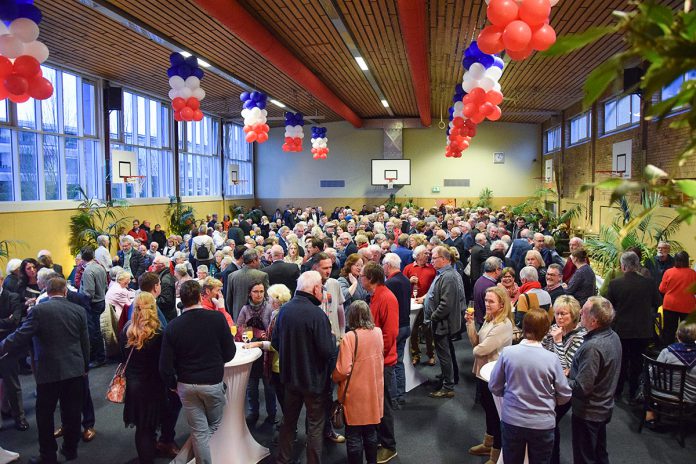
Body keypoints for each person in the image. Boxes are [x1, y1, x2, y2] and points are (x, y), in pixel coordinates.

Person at [0, 277, 89, 463]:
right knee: (73, 412)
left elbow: (21, 335)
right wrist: (84, 367)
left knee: (45, 415)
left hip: (48, 372)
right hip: (74, 369)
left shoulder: (38, 311)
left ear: (47, 292)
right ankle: (70, 450)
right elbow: (85, 343)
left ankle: (48, 455)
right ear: (65, 291)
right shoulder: (79, 310)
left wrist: (2, 346)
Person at [159, 280, 236, 464]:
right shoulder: (216, 319)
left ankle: (181, 460)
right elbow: (230, 352)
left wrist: (173, 386)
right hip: (212, 383)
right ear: (201, 296)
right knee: (213, 425)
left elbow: (165, 366)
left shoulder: (173, 326)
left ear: (181, 300)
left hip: (185, 385)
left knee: (200, 431)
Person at [489, 310, 572, 464]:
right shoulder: (552, 359)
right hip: (542, 424)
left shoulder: (507, 353)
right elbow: (565, 394)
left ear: (524, 327)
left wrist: (508, 395)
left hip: (512, 420)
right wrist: (552, 402)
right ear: (546, 330)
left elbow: (494, 386)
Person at [272, 271, 336, 464]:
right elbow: (327, 351)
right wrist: (332, 337)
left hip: (290, 378)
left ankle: (283, 460)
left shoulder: (284, 310)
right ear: (316, 288)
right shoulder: (318, 315)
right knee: (315, 425)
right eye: (321, 288)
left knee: (288, 423)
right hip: (314, 381)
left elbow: (275, 342)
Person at [569, 296, 622, 464]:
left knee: (585, 457)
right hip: (603, 407)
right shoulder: (613, 336)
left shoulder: (592, 347)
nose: (579, 313)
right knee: (599, 453)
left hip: (588, 412)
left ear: (594, 320)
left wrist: (559, 378)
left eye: (583, 311)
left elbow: (582, 387)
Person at [120, 292, 170, 464]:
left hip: (134, 386)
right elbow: (163, 363)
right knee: (150, 426)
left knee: (142, 428)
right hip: (154, 385)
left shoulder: (127, 330)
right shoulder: (159, 333)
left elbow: (122, 357)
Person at [332, 300, 385, 464]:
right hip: (374, 392)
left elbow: (343, 370)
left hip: (355, 394)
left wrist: (333, 377)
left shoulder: (350, 337)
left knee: (354, 436)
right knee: (371, 433)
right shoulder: (377, 332)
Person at [465, 286, 513, 464]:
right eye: (486, 300)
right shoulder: (489, 319)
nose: (486, 304)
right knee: (488, 410)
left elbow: (480, 349)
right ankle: (489, 444)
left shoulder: (503, 325)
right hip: (482, 373)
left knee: (495, 415)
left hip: (494, 376)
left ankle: (496, 455)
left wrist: (477, 348)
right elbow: (476, 341)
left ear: (502, 304)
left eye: (491, 301)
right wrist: (470, 323)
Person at [607, 251, 659, 402]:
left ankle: (617, 392)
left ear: (623, 266)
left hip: (622, 329)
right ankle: (633, 392)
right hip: (643, 330)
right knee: (637, 362)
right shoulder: (649, 283)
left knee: (621, 362)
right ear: (637, 265)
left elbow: (609, 307)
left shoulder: (615, 284)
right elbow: (657, 303)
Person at [360, 262, 399, 464]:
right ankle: (381, 440)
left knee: (384, 405)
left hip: (383, 361)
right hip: (376, 359)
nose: (360, 278)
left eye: (362, 276)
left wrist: (375, 355)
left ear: (371, 278)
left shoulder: (386, 298)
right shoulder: (377, 296)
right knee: (377, 403)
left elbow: (390, 334)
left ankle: (389, 446)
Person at [542, 295, 587, 464]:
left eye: (564, 314)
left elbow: (565, 369)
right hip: (548, 383)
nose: (559, 318)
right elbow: (544, 352)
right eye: (557, 313)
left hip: (565, 389)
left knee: (551, 423)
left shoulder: (580, 337)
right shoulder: (555, 328)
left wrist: (558, 342)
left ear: (574, 315)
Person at [420, 246, 465, 398]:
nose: (431, 260)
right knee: (446, 354)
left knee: (444, 355)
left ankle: (448, 386)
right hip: (442, 323)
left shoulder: (449, 276)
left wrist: (433, 317)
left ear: (444, 259)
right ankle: (448, 377)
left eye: (434, 258)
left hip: (442, 324)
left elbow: (446, 304)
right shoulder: (444, 274)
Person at [236, 281, 276, 426]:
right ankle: (253, 413)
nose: (259, 294)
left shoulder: (271, 308)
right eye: (256, 291)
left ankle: (272, 414)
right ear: (249, 293)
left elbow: (274, 331)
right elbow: (239, 328)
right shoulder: (245, 309)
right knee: (251, 387)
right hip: (251, 354)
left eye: (261, 291)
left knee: (269, 387)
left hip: (266, 352)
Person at [644, 322, 696, 426]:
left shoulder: (667, 352)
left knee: (646, 379)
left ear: (678, 335)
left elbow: (653, 375)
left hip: (664, 394)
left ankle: (650, 416)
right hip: (691, 397)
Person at [382, 253, 411, 406]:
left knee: (391, 364)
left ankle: (392, 398)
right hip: (406, 325)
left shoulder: (390, 283)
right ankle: (400, 394)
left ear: (388, 265)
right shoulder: (406, 280)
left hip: (396, 328)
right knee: (399, 362)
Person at [0, 271, 27, 431]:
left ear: (1, 280)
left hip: (6, 347)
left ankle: (19, 417)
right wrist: (6, 321)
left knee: (13, 384)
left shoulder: (12, 297)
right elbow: (8, 321)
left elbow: (15, 321)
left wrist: (9, 322)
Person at [403, 245, 437, 366]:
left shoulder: (432, 269)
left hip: (427, 304)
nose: (428, 255)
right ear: (417, 256)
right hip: (412, 305)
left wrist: (425, 298)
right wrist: (409, 281)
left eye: (428, 253)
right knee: (413, 331)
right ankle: (415, 355)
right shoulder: (408, 268)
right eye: (425, 253)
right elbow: (402, 285)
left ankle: (431, 354)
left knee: (428, 330)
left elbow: (435, 288)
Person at [79, 246, 108, 368]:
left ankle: (99, 358)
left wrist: (79, 299)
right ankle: (99, 356)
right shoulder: (100, 267)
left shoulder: (88, 271)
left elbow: (89, 293)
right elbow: (106, 285)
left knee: (94, 332)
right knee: (96, 331)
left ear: (82, 257)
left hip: (92, 304)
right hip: (101, 301)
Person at [659, 251, 696, 345]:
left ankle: (668, 350)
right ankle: (688, 350)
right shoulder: (693, 274)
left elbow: (662, 289)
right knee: (688, 331)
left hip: (670, 305)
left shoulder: (668, 272)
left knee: (669, 330)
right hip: (687, 305)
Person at [226, 249, 269, 320]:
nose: (260, 261)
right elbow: (266, 297)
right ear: (254, 261)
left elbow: (228, 300)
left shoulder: (232, 276)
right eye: (258, 259)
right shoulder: (262, 275)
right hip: (258, 318)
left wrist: (233, 315)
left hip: (237, 316)